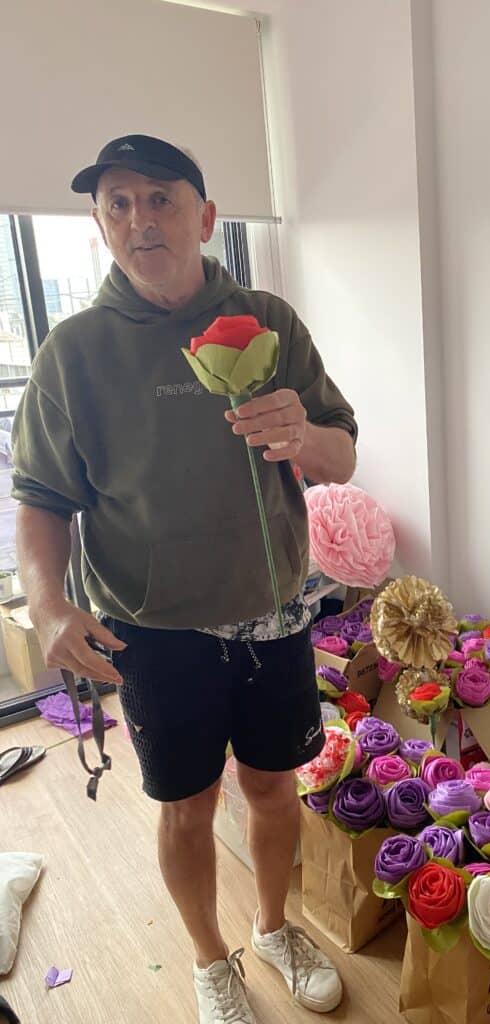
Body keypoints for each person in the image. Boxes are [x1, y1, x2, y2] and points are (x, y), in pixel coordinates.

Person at [11, 135, 357, 1023]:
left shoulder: (270, 320)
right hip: (152, 626)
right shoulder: (73, 353)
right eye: (117, 203)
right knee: (185, 807)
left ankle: (277, 926)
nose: (140, 219)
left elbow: (340, 454)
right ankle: (212, 960)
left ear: (205, 216)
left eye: (160, 198)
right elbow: (43, 496)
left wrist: (301, 437)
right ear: (99, 225)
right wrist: (48, 604)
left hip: (273, 607)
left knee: (276, 787)